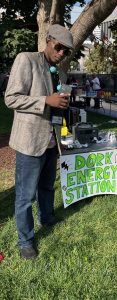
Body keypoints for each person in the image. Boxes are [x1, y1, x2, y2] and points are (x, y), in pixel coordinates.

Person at [4, 24, 74, 259]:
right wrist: (46, 100)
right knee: (25, 196)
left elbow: (58, 104)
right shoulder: (26, 59)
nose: (62, 53)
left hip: (52, 140)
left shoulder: (61, 72)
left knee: (46, 186)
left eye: (67, 51)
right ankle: (25, 240)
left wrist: (63, 111)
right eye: (59, 47)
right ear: (48, 39)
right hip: (30, 141)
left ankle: (47, 218)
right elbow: (11, 98)